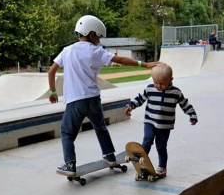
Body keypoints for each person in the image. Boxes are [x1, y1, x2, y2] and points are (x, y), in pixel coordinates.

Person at [48, 15, 160, 176]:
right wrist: (145, 64)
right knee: (100, 128)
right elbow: (120, 59)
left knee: (67, 132)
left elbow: (52, 71)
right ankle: (109, 155)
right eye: (98, 37)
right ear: (91, 34)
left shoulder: (67, 51)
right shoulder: (96, 51)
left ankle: (69, 164)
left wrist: (53, 92)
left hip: (75, 101)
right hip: (93, 99)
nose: (99, 41)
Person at [124, 63, 197, 178]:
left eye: (162, 83)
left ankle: (162, 167)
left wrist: (192, 115)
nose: (158, 85)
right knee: (147, 139)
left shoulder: (176, 92)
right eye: (156, 82)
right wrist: (131, 106)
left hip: (165, 126)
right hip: (150, 121)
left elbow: (185, 104)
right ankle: (141, 160)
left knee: (161, 147)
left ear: (170, 79)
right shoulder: (150, 88)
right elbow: (140, 98)